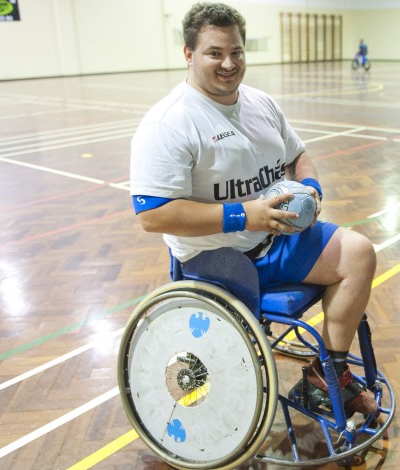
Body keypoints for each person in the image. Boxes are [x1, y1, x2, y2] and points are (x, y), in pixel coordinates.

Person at [130, 2, 378, 416]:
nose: (229, 63)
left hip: (274, 237)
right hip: (219, 261)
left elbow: (299, 156)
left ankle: (325, 377)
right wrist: (245, 215)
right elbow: (153, 216)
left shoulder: (261, 103)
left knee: (360, 253)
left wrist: (311, 188)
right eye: (215, 53)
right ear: (189, 54)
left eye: (237, 52)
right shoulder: (168, 124)